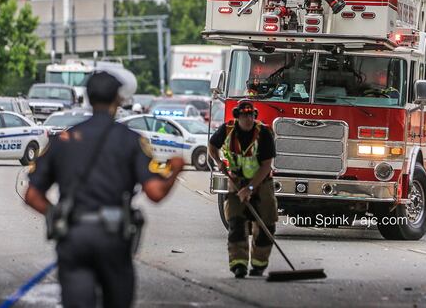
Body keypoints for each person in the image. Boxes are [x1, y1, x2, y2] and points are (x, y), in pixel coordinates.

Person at [25, 70, 185, 308]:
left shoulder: (64, 140)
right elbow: (155, 193)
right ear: (118, 100)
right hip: (113, 239)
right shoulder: (131, 140)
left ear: (88, 98)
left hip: (74, 238)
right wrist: (175, 171)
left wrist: (58, 214)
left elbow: (32, 195)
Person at [208, 101, 278, 279]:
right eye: (244, 115)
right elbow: (212, 146)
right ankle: (238, 264)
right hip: (236, 182)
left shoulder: (264, 134)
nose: (248, 119)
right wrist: (218, 163)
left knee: (266, 225)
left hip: (262, 182)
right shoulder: (227, 130)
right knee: (236, 224)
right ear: (237, 116)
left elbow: (266, 166)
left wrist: (251, 188)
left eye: (251, 115)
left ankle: (259, 264)